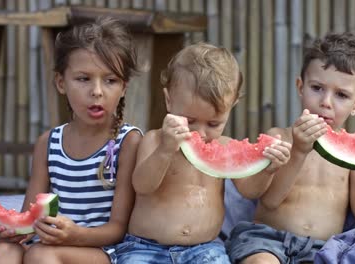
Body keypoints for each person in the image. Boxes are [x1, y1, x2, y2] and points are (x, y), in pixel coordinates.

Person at [225, 32, 355, 264]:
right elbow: (270, 201)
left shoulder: (354, 157)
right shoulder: (279, 137)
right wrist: (299, 152)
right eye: (317, 88)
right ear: (300, 86)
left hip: (323, 248)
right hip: (267, 239)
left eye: (341, 95)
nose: (326, 102)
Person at [112, 42, 291, 263]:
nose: (200, 133)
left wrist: (268, 169)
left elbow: (250, 191)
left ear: (232, 106)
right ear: (169, 100)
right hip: (146, 248)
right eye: (190, 120)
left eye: (214, 123)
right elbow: (142, 185)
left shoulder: (225, 146)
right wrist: (165, 150)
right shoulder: (155, 140)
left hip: (205, 249)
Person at [0, 17, 143, 264]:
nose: (97, 91)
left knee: (40, 255)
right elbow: (29, 218)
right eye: (83, 79)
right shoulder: (48, 143)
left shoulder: (129, 141)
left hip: (104, 251)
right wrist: (13, 230)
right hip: (52, 244)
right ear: (61, 83)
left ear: (124, 87)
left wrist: (75, 234)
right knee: (3, 252)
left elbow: (118, 229)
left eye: (110, 80)